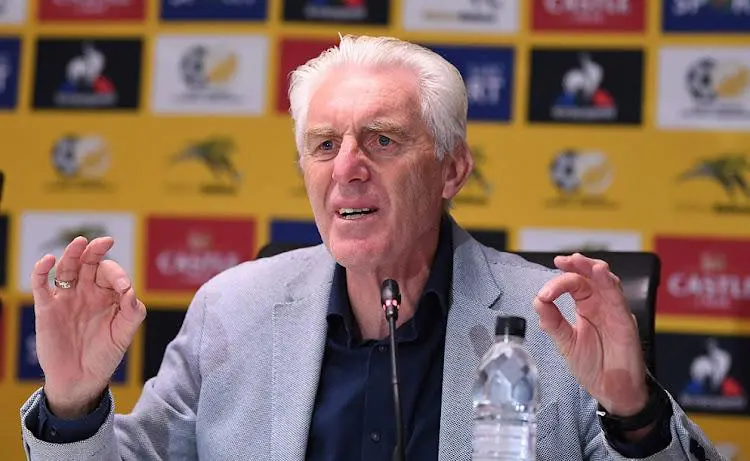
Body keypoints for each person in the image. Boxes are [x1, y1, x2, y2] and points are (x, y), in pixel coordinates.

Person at [20, 35, 722, 461]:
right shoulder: (231, 310)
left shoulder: (552, 321)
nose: (347, 167)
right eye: (325, 145)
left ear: (451, 170)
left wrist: (633, 412)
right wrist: (74, 404)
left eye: (382, 140)